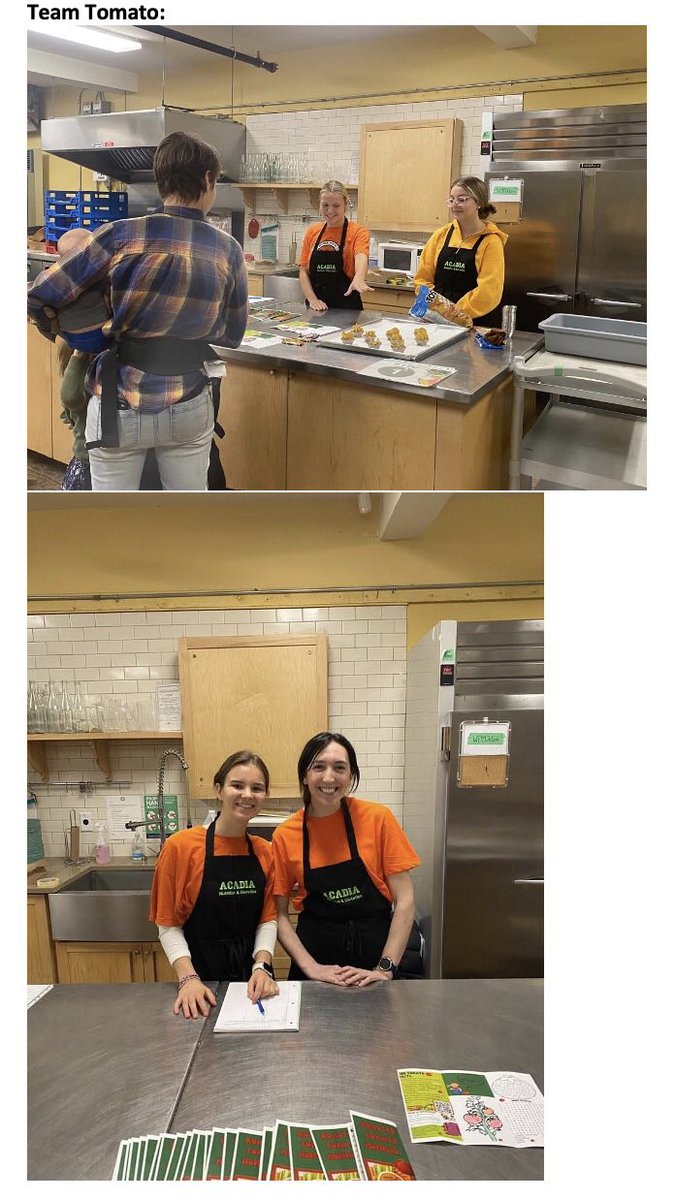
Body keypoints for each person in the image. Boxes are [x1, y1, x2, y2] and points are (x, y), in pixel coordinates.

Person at [27, 130, 248, 491]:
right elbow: (233, 335)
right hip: (189, 401)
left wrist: (61, 329)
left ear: (162, 181)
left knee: (113, 517)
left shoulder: (118, 236)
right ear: (208, 179)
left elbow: (39, 293)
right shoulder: (228, 249)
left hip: (118, 404)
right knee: (184, 517)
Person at [272, 732, 420, 987]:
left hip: (376, 957)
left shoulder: (378, 819)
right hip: (316, 961)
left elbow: (405, 901)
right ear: (304, 777)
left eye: (339, 768)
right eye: (318, 767)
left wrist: (384, 968)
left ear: (351, 775)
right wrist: (311, 968)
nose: (328, 777)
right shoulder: (286, 835)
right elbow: (279, 914)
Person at [149, 750, 279, 1020]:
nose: (247, 794)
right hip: (198, 981)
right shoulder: (181, 847)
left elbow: (267, 920)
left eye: (257, 788)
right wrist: (188, 978)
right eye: (237, 785)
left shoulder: (264, 852)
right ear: (219, 790)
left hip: (252, 981)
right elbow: (168, 923)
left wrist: (262, 967)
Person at [414, 176, 508, 327]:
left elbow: (489, 291)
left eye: (462, 199)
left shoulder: (491, 241)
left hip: (476, 323)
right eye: (451, 200)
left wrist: (456, 313)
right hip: (438, 319)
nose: (454, 205)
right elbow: (422, 279)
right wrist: (438, 307)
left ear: (478, 202)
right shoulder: (441, 235)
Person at [299, 181, 374, 311]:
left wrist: (359, 278)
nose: (330, 211)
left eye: (336, 205)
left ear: (345, 205)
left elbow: (361, 256)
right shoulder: (312, 232)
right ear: (319, 205)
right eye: (325, 205)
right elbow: (303, 270)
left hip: (347, 309)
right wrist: (312, 300)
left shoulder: (358, 231)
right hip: (316, 310)